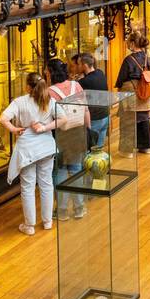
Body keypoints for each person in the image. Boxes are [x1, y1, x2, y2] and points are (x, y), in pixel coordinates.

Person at [1, 71, 59, 234]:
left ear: (28, 86)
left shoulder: (19, 102)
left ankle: (30, 225)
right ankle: (47, 221)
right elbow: (63, 119)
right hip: (46, 146)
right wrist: (44, 127)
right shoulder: (49, 101)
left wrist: (14, 129)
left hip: (27, 149)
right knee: (46, 183)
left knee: (27, 186)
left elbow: (2, 118)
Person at [46, 58, 88, 221]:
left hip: (60, 135)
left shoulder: (49, 92)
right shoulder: (76, 85)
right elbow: (85, 110)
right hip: (78, 132)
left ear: (50, 73)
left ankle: (62, 210)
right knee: (76, 168)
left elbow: (48, 118)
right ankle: (79, 208)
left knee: (61, 170)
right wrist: (88, 129)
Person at [115, 30, 150, 154]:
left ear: (132, 43)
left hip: (130, 92)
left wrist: (118, 87)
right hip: (144, 91)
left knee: (128, 120)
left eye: (128, 43)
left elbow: (121, 78)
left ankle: (127, 151)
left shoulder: (128, 60)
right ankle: (145, 147)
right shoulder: (146, 56)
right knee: (143, 119)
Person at [73, 52, 110, 151]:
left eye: (79, 64)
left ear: (84, 65)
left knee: (88, 149)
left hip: (94, 118)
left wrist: (77, 79)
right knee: (98, 149)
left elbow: (74, 90)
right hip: (105, 115)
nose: (77, 66)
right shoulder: (100, 72)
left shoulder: (85, 81)